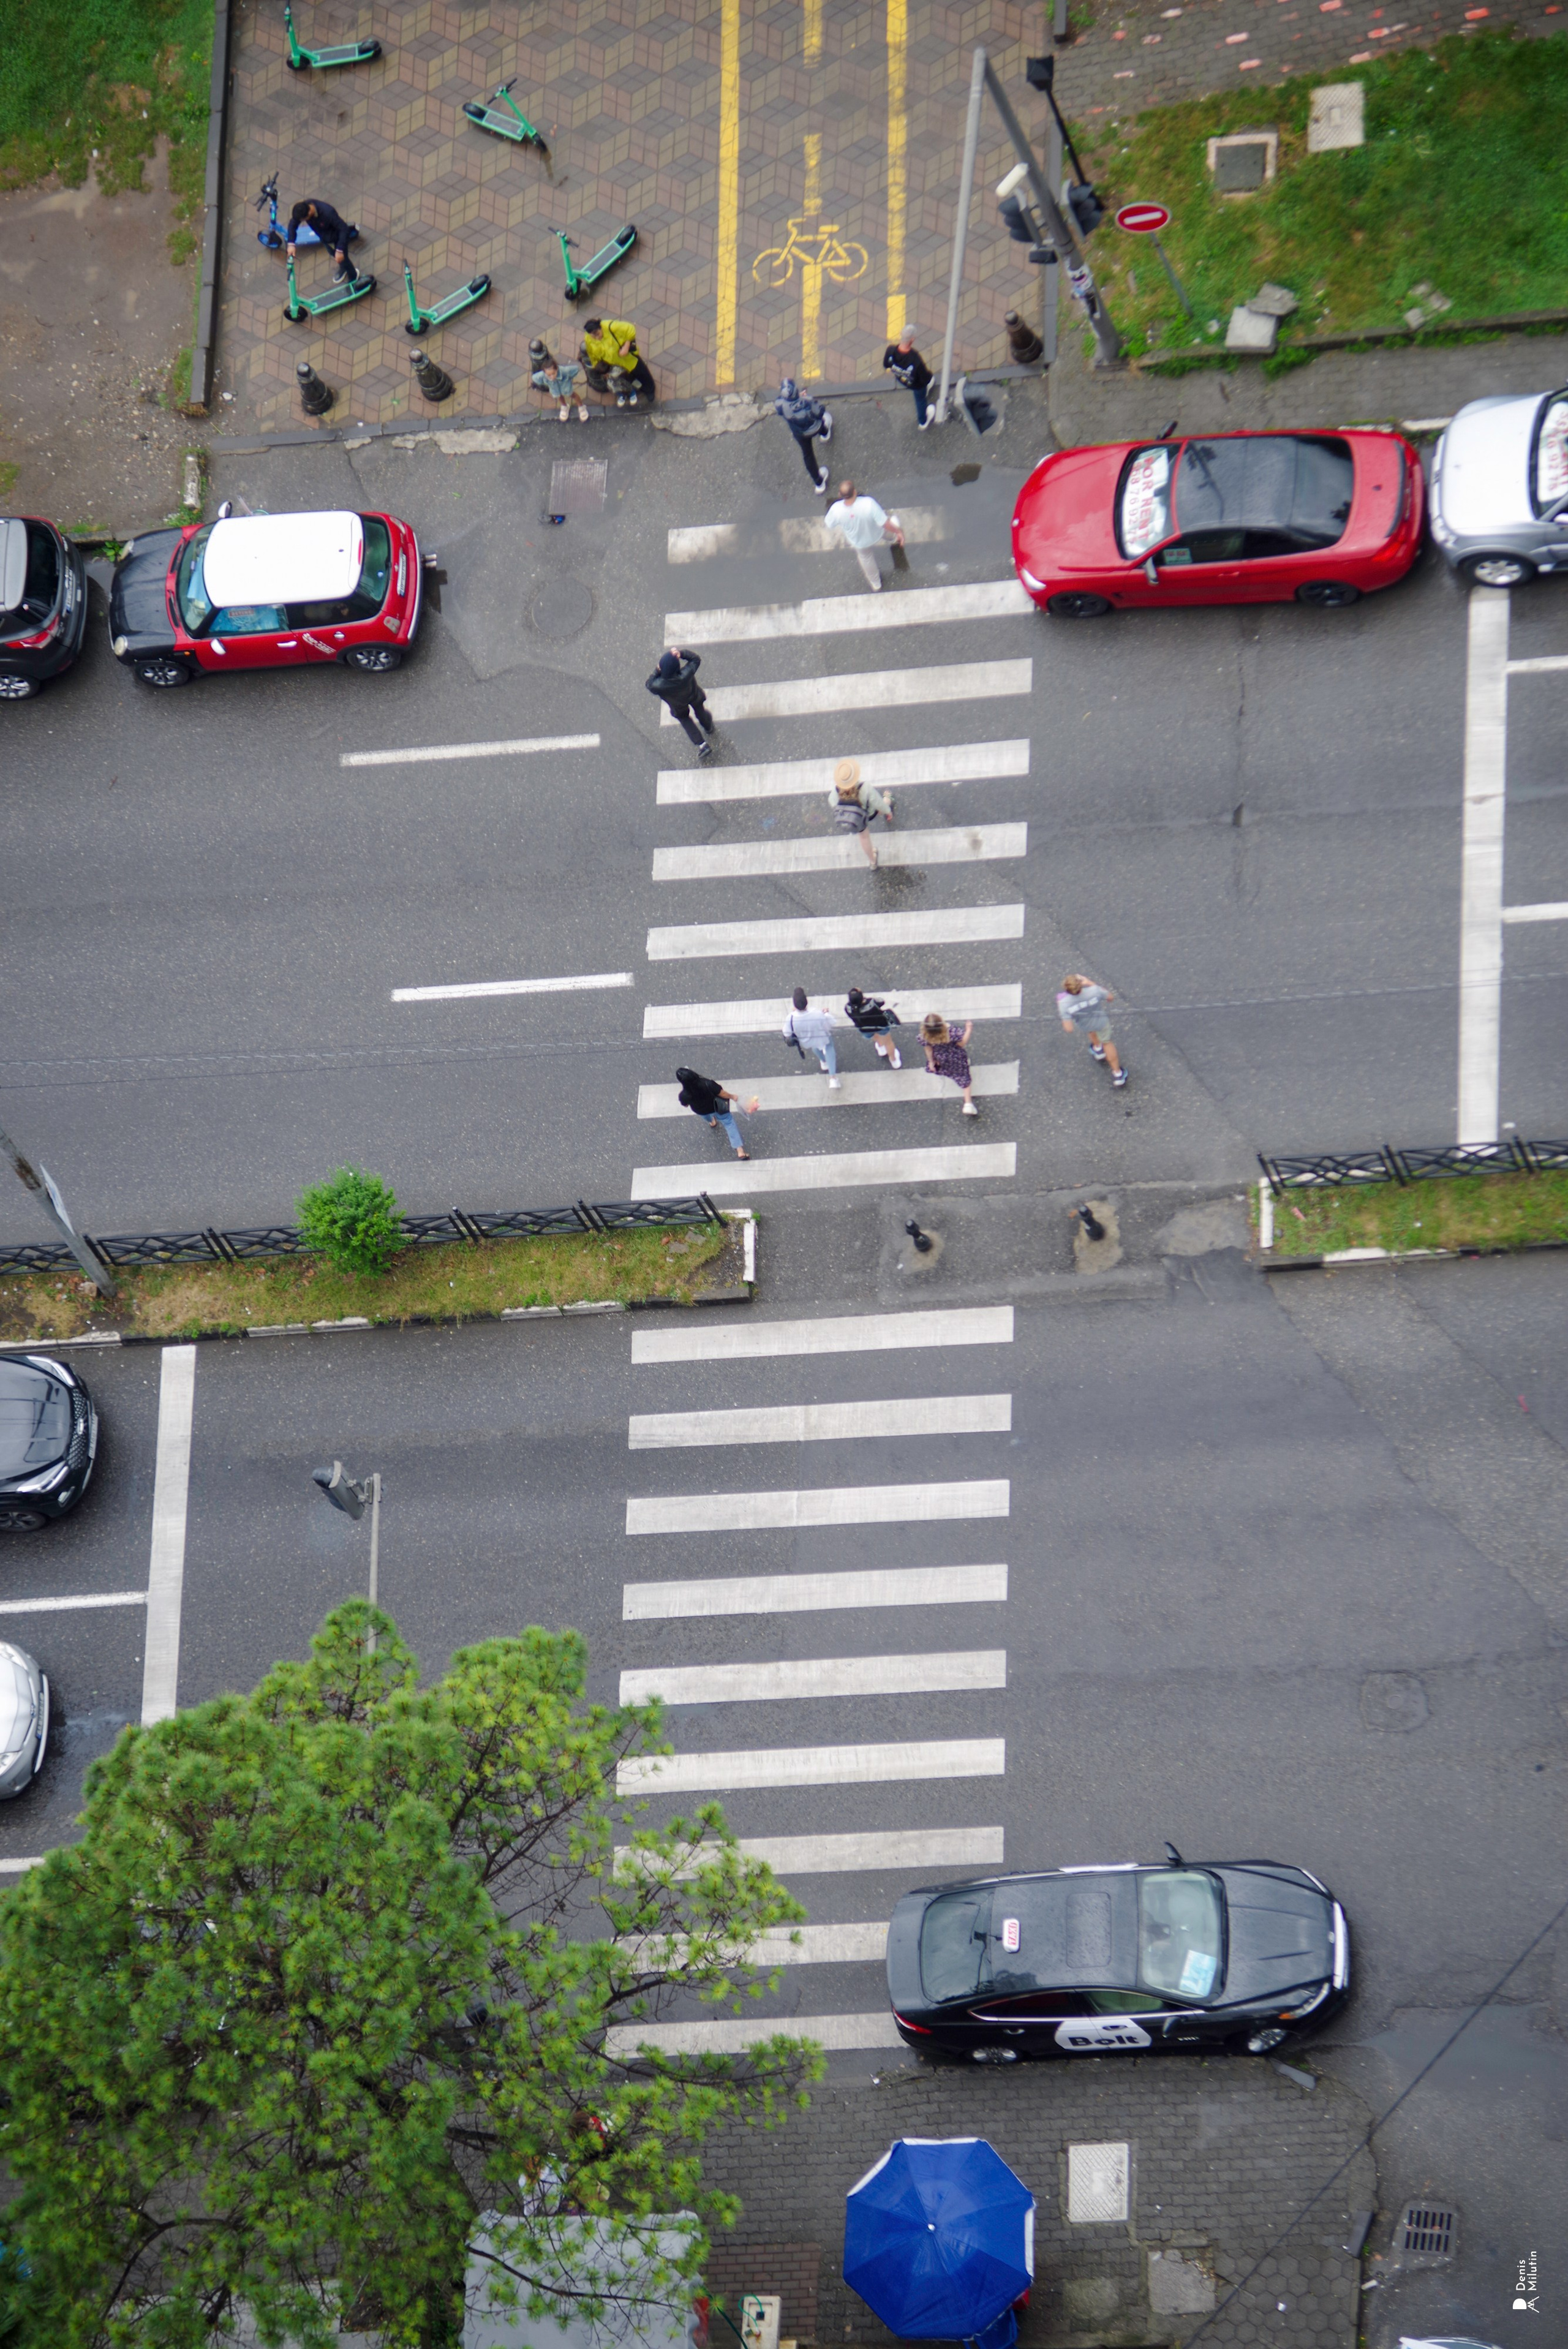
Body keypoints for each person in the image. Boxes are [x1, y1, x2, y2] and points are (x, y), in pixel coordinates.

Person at [824, 480, 905, 592]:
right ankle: (895, 540)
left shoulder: (836, 509)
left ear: (840, 495)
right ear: (855, 492)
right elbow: (884, 523)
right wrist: (898, 531)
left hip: (859, 542)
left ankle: (876, 584)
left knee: (866, 559)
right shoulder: (868, 503)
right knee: (894, 522)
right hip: (877, 533)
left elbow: (830, 524)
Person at [1057, 972, 1127, 1087]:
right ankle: (1118, 1074)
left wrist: (1062, 1008)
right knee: (1107, 1042)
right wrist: (1090, 983)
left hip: (1085, 1024)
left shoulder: (1064, 1003)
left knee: (1092, 1032)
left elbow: (1069, 1029)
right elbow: (1110, 997)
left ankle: (1098, 1049)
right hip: (1101, 1022)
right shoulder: (1094, 991)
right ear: (1080, 984)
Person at [646, 647, 715, 762]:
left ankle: (702, 745)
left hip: (678, 706)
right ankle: (708, 727)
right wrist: (681, 654)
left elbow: (649, 684)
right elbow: (696, 660)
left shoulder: (659, 685)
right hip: (694, 696)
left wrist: (657, 670)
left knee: (685, 720)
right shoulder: (686, 673)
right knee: (701, 712)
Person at [676, 1068, 758, 1157]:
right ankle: (740, 1150)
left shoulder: (684, 1095)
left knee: (706, 1117)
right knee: (729, 1124)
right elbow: (722, 1094)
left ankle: (712, 1122)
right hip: (718, 1107)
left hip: (701, 1110)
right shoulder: (708, 1084)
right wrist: (733, 1097)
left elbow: (686, 1105)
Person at [829, 757, 894, 867]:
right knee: (884, 802)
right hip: (869, 814)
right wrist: (888, 812)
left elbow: (832, 802)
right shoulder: (865, 788)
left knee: (864, 838)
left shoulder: (835, 792)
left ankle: (873, 862)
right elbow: (878, 803)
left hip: (857, 820)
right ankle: (889, 798)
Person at [774, 376, 834, 492]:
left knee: (808, 455)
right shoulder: (807, 401)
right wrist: (803, 398)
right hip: (814, 427)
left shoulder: (780, 404)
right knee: (822, 425)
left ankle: (819, 483)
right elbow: (819, 411)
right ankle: (825, 434)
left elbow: (782, 406)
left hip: (800, 433)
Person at [581, 316, 655, 406]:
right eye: (594, 336)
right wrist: (598, 365)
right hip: (612, 363)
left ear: (600, 327)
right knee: (627, 376)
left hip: (627, 358)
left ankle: (650, 389)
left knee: (641, 371)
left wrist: (626, 347)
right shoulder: (589, 338)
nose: (597, 338)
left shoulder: (611, 327)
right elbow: (591, 353)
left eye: (598, 334)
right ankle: (638, 385)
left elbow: (630, 328)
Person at [285, 197, 356, 281]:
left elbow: (344, 229)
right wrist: (291, 244)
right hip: (325, 239)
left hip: (338, 238)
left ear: (310, 212)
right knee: (334, 254)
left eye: (305, 220)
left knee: (343, 258)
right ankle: (343, 268)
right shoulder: (304, 208)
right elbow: (293, 224)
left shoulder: (328, 213)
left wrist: (340, 250)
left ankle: (353, 277)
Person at [782, 986, 839, 1087]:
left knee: (815, 1048)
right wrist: (826, 1013)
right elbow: (827, 1025)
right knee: (829, 1048)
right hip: (822, 1037)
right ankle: (833, 1078)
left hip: (807, 1041)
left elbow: (787, 1033)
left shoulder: (790, 1018)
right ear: (806, 1002)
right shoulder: (816, 1013)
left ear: (794, 1005)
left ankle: (824, 1061)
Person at [922, 1012, 976, 1113]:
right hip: (957, 1057)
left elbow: (929, 1050)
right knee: (964, 1077)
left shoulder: (926, 1036)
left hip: (941, 1058)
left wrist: (931, 1061)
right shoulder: (951, 1032)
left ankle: (954, 1076)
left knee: (951, 1071)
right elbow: (962, 1043)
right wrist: (968, 1030)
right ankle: (968, 1104)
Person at [529, 337, 589, 423]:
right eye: (549, 375)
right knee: (559, 397)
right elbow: (535, 378)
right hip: (555, 390)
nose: (552, 377)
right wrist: (543, 381)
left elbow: (575, 369)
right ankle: (564, 406)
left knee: (573, 395)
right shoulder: (544, 376)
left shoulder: (564, 371)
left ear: (557, 369)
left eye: (553, 374)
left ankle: (581, 407)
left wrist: (570, 378)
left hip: (567, 388)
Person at [882, 329, 933, 428]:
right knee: (920, 400)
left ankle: (922, 422)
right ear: (912, 340)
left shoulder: (890, 350)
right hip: (917, 385)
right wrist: (929, 376)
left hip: (901, 379)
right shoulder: (915, 359)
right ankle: (923, 422)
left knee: (920, 398)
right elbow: (925, 379)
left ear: (901, 335)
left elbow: (886, 365)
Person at [845, 986, 902, 1068]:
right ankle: (894, 1060)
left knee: (875, 1037)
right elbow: (882, 1002)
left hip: (864, 1029)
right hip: (881, 1025)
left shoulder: (848, 1008)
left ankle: (881, 1048)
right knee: (888, 1043)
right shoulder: (871, 1003)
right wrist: (867, 1000)